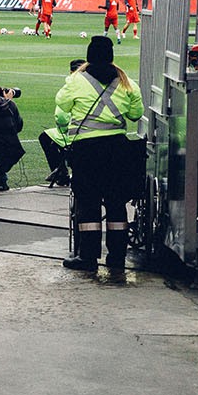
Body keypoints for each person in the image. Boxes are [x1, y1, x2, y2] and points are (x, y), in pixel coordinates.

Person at [57, 36, 144, 281]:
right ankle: (117, 256)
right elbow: (136, 114)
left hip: (86, 150)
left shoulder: (76, 80)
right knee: (117, 203)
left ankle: (88, 257)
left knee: (88, 203)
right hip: (117, 149)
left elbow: (61, 104)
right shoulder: (127, 82)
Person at [37, 58, 84, 187]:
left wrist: (62, 127)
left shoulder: (70, 87)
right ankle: (61, 170)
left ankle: (60, 173)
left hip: (73, 134)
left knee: (45, 137)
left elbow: (62, 117)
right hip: (94, 131)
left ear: (70, 71)